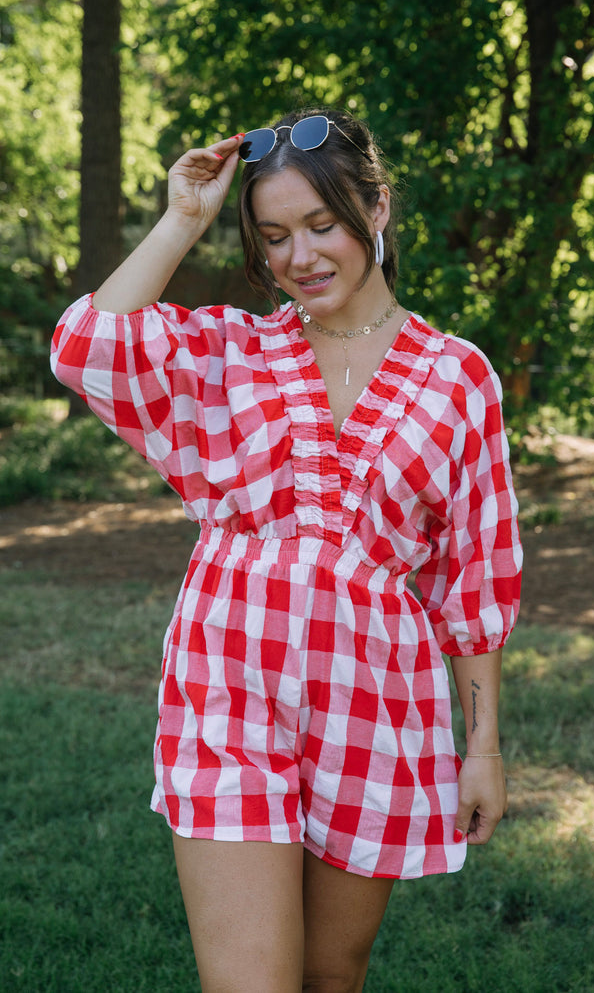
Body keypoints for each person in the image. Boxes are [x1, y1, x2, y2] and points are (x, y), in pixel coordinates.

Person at [50, 107, 522, 993]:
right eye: (273, 237)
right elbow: (87, 348)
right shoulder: (232, 352)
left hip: (374, 707)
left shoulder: (460, 377)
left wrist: (483, 745)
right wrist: (183, 218)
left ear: (376, 209)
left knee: (328, 975)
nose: (299, 257)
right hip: (229, 694)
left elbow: (475, 578)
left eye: (321, 224)